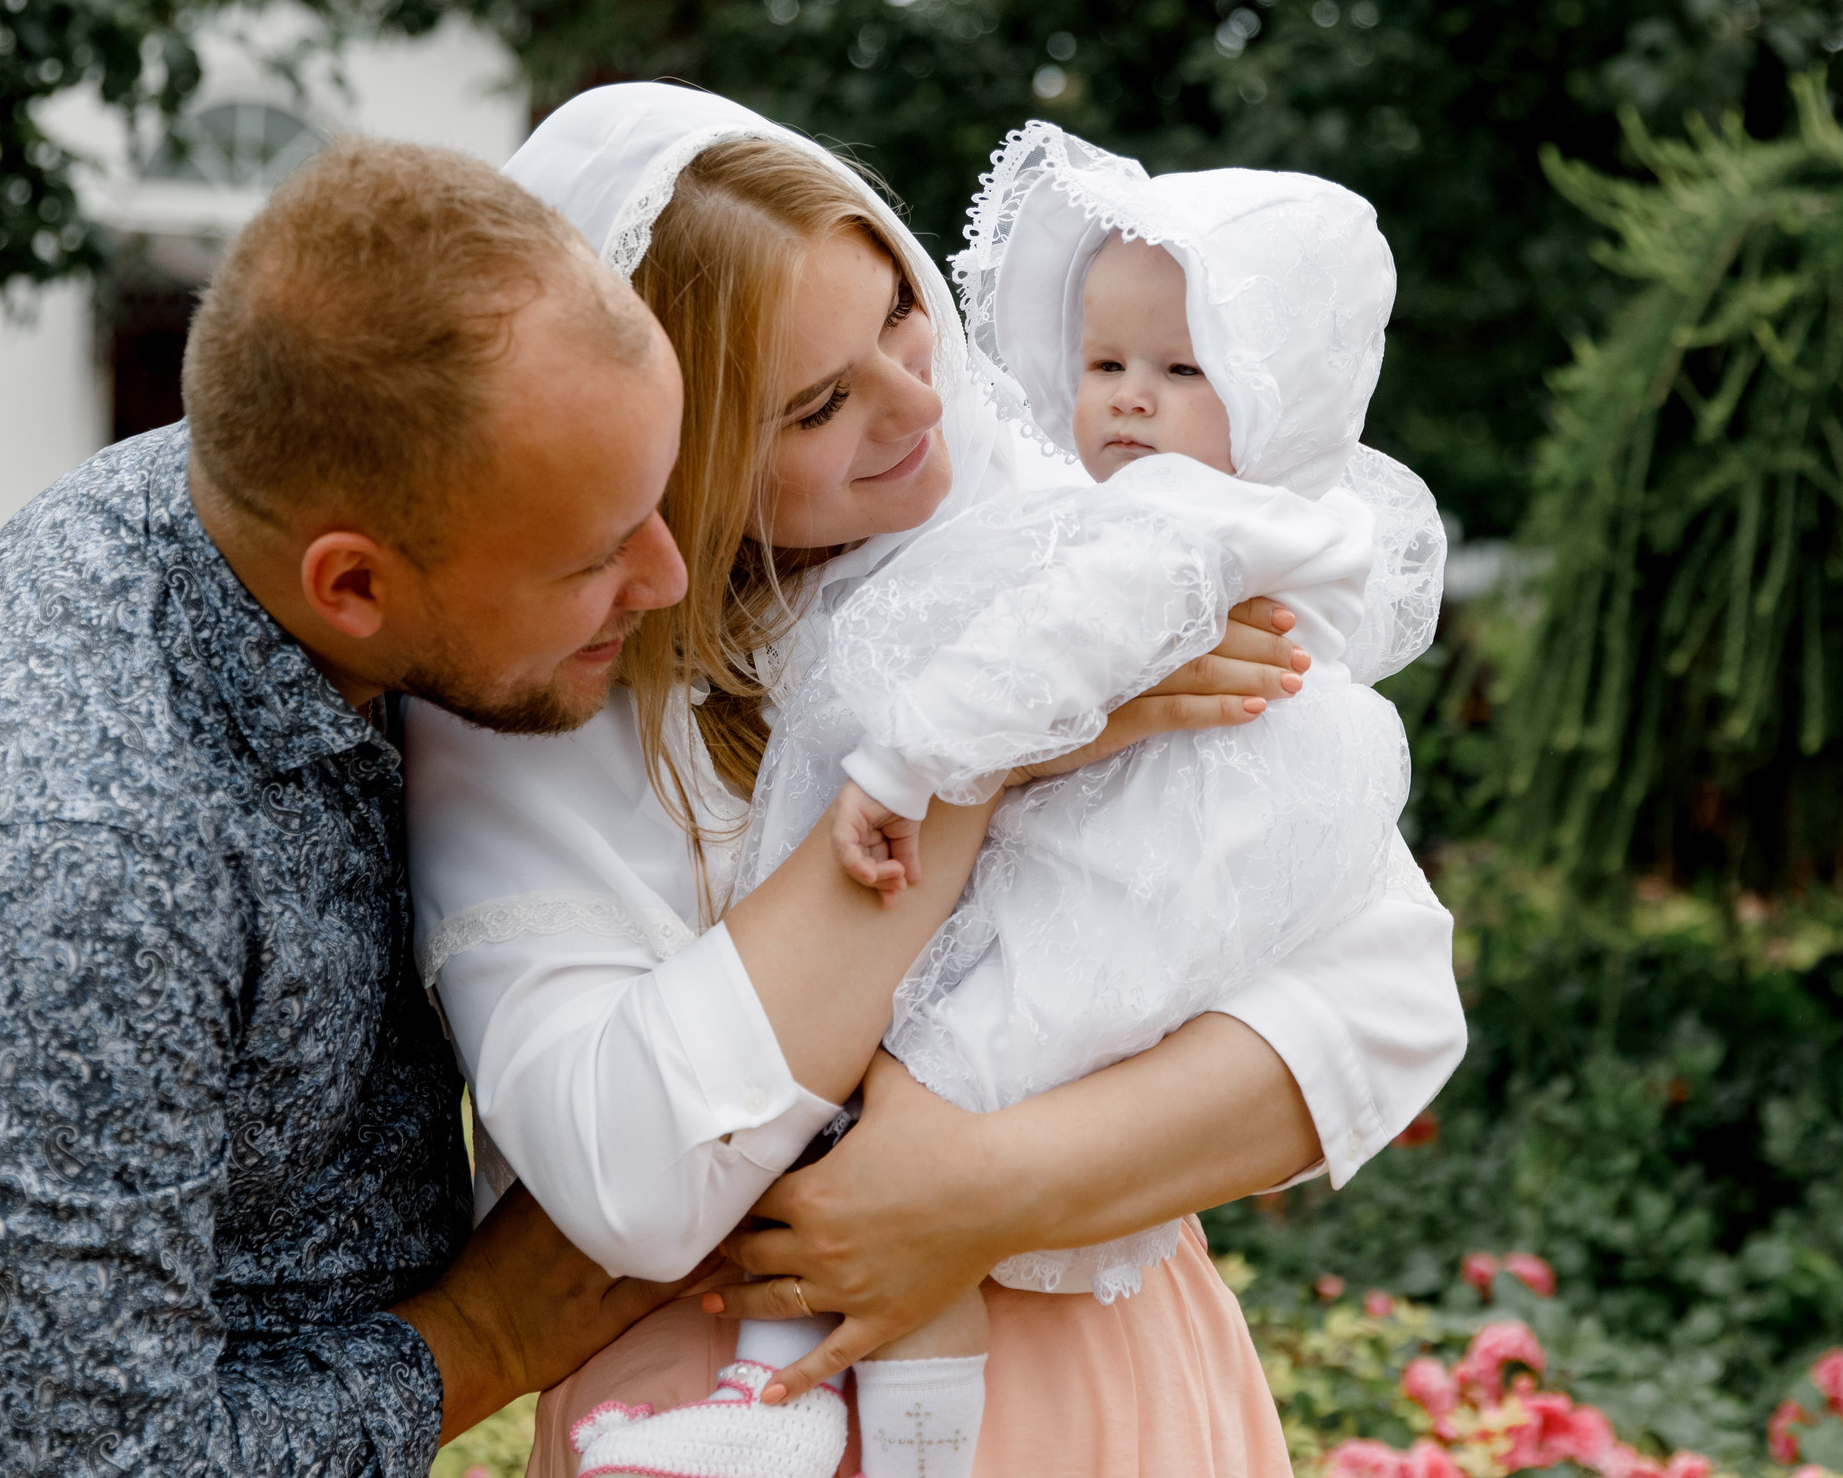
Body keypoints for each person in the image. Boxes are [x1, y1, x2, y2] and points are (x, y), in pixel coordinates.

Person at [406, 84, 1468, 1478]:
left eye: (901, 313)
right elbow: (637, 1178)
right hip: (726, 1410)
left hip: (1114, 1384)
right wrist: (979, 764)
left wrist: (978, 1192)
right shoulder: (546, 697)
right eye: (818, 404)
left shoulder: (1074, 536)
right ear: (676, 457)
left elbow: (1387, 997)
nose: (922, 403)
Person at [0, 139, 716, 1477]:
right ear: (351, 584)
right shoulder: (72, 862)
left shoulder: (314, 478)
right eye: (597, 555)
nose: (667, 573)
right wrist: (483, 1334)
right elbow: (101, 1466)